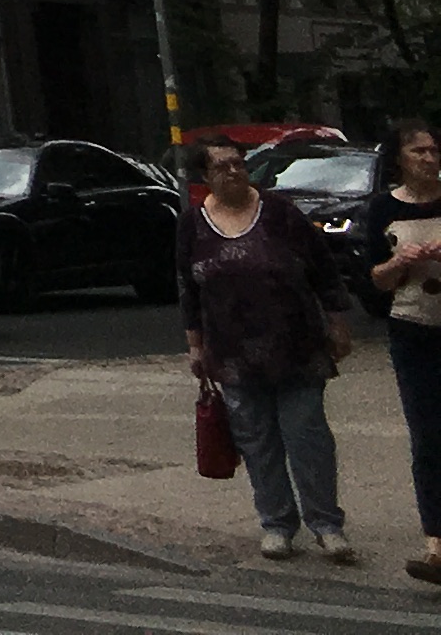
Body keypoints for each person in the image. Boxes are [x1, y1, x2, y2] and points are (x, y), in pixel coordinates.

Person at [185, 134, 354, 561]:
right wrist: (195, 346)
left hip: (296, 346)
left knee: (308, 438)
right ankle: (277, 523)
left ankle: (327, 525)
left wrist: (337, 322)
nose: (233, 171)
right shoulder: (192, 224)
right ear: (205, 176)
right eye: (222, 166)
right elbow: (188, 289)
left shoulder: (280, 214)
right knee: (257, 442)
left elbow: (324, 270)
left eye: (238, 163)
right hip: (233, 354)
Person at [357, 117, 441, 588]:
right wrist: (398, 263)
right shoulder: (383, 208)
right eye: (418, 152)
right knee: (430, 439)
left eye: (433, 151)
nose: (429, 159)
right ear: (399, 160)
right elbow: (373, 280)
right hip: (414, 332)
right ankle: (437, 544)